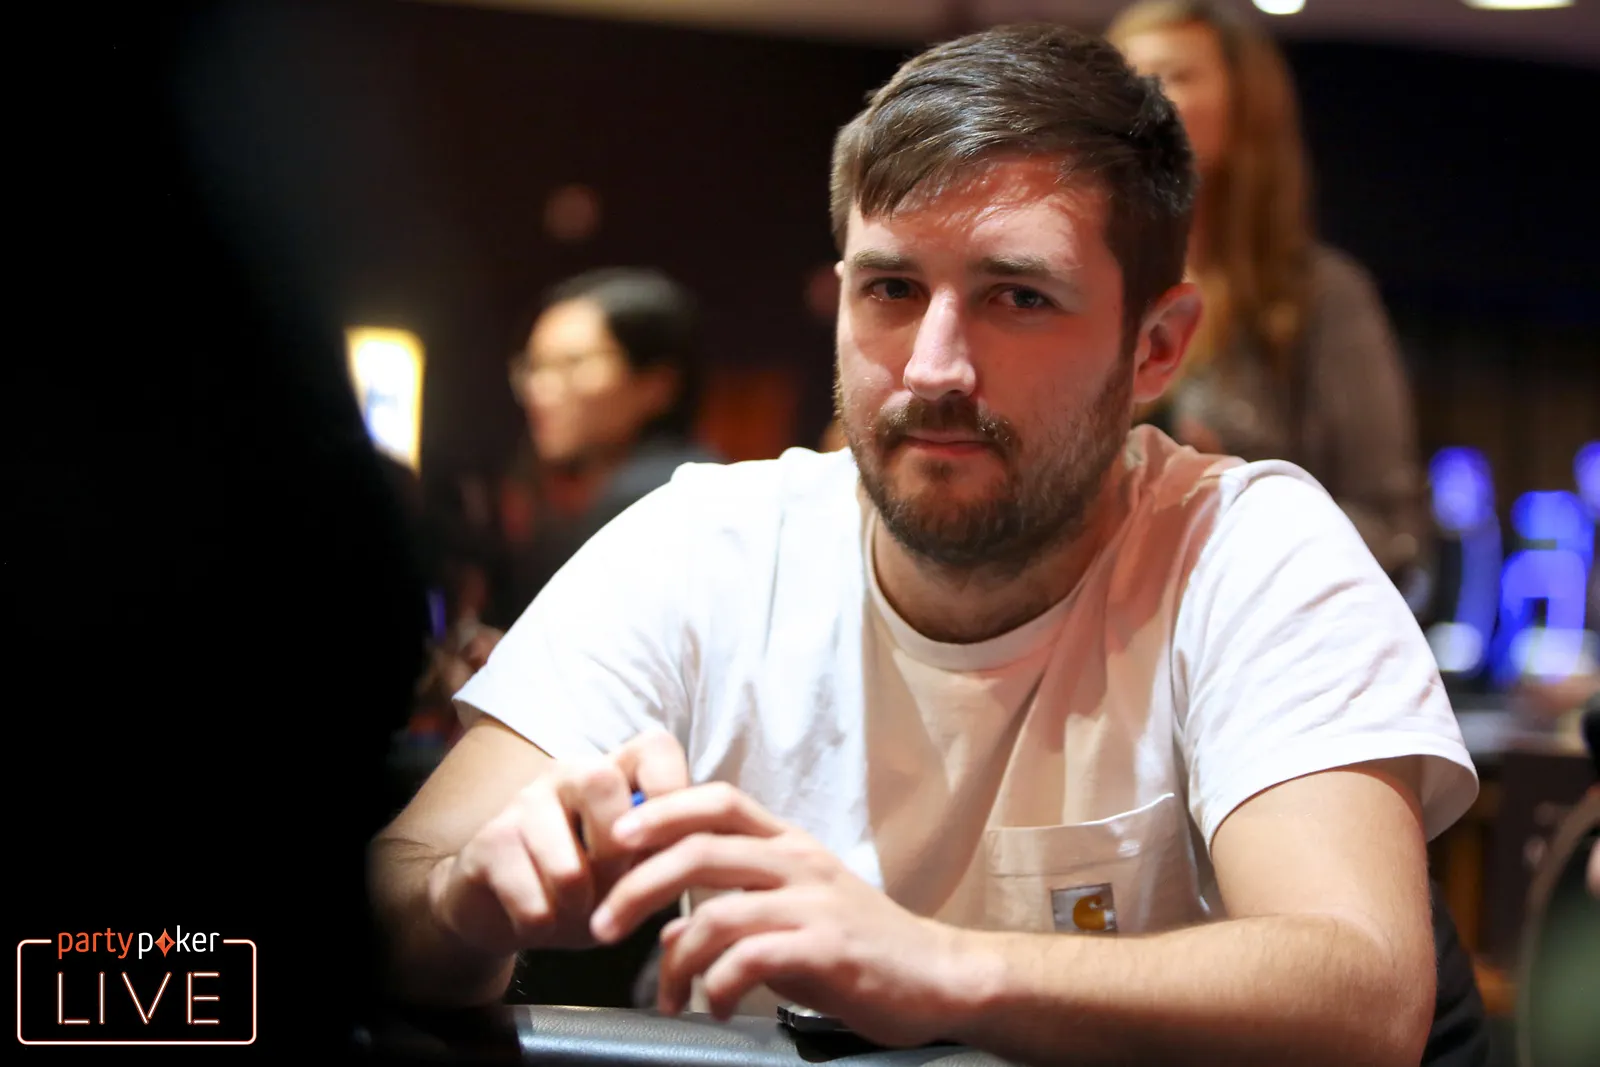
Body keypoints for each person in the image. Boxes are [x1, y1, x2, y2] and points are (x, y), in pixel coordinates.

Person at [368, 23, 1480, 1066]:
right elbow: (394, 887)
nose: (934, 365)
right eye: (892, 288)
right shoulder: (703, 544)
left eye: (1018, 296)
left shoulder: (1249, 548)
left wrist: (941, 967)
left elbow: (1366, 991)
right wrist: (466, 902)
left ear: (1154, 348)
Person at [1107, 1, 1432, 590]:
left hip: (1245, 617)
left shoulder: (1321, 294)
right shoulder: (1078, 282)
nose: (1140, 101)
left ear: (1245, 112)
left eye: (1174, 76)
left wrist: (1236, 506)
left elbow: (1390, 527)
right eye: (1124, 77)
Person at [448, 268, 720, 672]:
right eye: (534, 367)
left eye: (573, 364)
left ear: (657, 384)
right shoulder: (673, 483)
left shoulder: (656, 497)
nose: (540, 389)